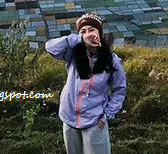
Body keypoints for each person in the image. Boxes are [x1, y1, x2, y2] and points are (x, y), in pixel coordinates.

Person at [45, 12, 127, 154]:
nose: (88, 34)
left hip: (95, 121)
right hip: (69, 117)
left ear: (99, 33)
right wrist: (79, 39)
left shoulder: (111, 60)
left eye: (91, 30)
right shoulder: (73, 53)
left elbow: (119, 90)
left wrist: (105, 117)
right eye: (83, 31)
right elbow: (50, 47)